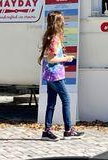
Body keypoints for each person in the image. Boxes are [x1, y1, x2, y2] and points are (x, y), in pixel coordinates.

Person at [38, 11, 84, 141]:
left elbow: (53, 56)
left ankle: (47, 131)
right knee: (66, 100)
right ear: (58, 23)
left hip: (50, 75)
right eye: (62, 21)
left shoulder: (51, 37)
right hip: (56, 76)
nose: (64, 23)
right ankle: (68, 130)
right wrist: (66, 58)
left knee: (51, 103)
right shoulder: (54, 39)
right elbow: (51, 59)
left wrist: (64, 57)